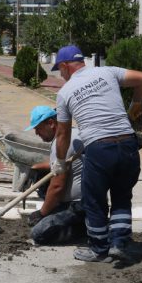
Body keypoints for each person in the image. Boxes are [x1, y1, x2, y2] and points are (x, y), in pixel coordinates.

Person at [51, 45, 142, 262]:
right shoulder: (107, 72)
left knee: (94, 200)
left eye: (60, 70)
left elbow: (62, 134)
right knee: (122, 195)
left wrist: (59, 162)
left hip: (99, 148)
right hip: (128, 144)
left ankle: (99, 249)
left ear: (65, 66)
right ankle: (119, 243)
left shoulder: (65, 93)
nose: (61, 75)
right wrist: (136, 103)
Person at [24, 105, 86, 245]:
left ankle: (85, 230)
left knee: (39, 234)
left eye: (38, 128)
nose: (36, 133)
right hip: (88, 200)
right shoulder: (72, 133)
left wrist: (42, 213)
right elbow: (58, 164)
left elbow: (58, 185)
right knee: (41, 174)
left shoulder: (62, 142)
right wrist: (35, 167)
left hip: (80, 205)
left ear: (51, 123)